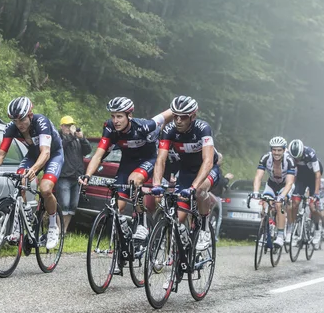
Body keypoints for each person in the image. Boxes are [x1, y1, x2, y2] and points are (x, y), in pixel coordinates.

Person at [81, 97, 173, 244]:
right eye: (113, 116)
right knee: (118, 207)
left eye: (119, 116)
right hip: (127, 163)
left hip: (148, 160)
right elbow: (98, 154)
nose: (115, 120)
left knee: (133, 180)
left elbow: (166, 115)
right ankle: (124, 241)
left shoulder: (144, 126)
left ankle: (142, 223)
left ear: (129, 116)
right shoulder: (110, 128)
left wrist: (181, 109)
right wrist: (87, 175)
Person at [0, 96, 63, 249]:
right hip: (33, 155)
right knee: (20, 180)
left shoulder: (41, 122)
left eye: (21, 120)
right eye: (15, 121)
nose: (19, 125)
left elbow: (45, 152)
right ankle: (21, 219)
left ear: (30, 115)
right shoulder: (12, 128)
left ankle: (53, 226)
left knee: (45, 189)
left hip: (53, 155)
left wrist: (34, 170)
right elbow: (0, 155)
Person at [149, 95, 220, 252]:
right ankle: (183, 243)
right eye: (175, 116)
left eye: (183, 117)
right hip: (187, 172)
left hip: (208, 169)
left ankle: (204, 229)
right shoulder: (169, 130)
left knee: (200, 191)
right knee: (177, 218)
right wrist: (157, 184)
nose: (178, 120)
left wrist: (194, 187)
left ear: (193, 116)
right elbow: (160, 160)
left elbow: (208, 161)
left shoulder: (203, 129)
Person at [250, 136, 296, 247]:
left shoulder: (289, 161)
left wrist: (282, 196)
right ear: (271, 150)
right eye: (274, 150)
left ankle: (280, 235)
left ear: (284, 150)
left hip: (285, 186)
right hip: (271, 184)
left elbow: (289, 183)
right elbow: (258, 177)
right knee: (265, 203)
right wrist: (256, 192)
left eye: (279, 150)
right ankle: (265, 231)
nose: (276, 153)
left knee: (279, 204)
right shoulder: (265, 158)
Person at [56, 115, 92, 233]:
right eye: (67, 125)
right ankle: (58, 229)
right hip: (64, 176)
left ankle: (64, 231)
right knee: (63, 205)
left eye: (71, 125)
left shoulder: (76, 138)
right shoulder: (59, 136)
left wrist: (82, 138)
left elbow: (88, 151)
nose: (69, 128)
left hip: (77, 177)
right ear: (61, 126)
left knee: (72, 206)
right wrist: (72, 136)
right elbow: (61, 146)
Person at [288, 139, 323, 246]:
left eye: (298, 157)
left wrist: (315, 194)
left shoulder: (310, 154)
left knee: (313, 207)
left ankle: (317, 229)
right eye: (295, 158)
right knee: (294, 204)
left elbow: (317, 175)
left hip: (313, 178)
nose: (297, 159)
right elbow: (291, 173)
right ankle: (293, 229)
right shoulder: (290, 155)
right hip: (301, 178)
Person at [211, 151, 233, 242]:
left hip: (212, 194)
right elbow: (220, 182)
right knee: (217, 218)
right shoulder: (216, 170)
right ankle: (214, 237)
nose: (221, 161)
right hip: (215, 196)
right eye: (220, 159)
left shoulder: (210, 167)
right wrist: (227, 178)